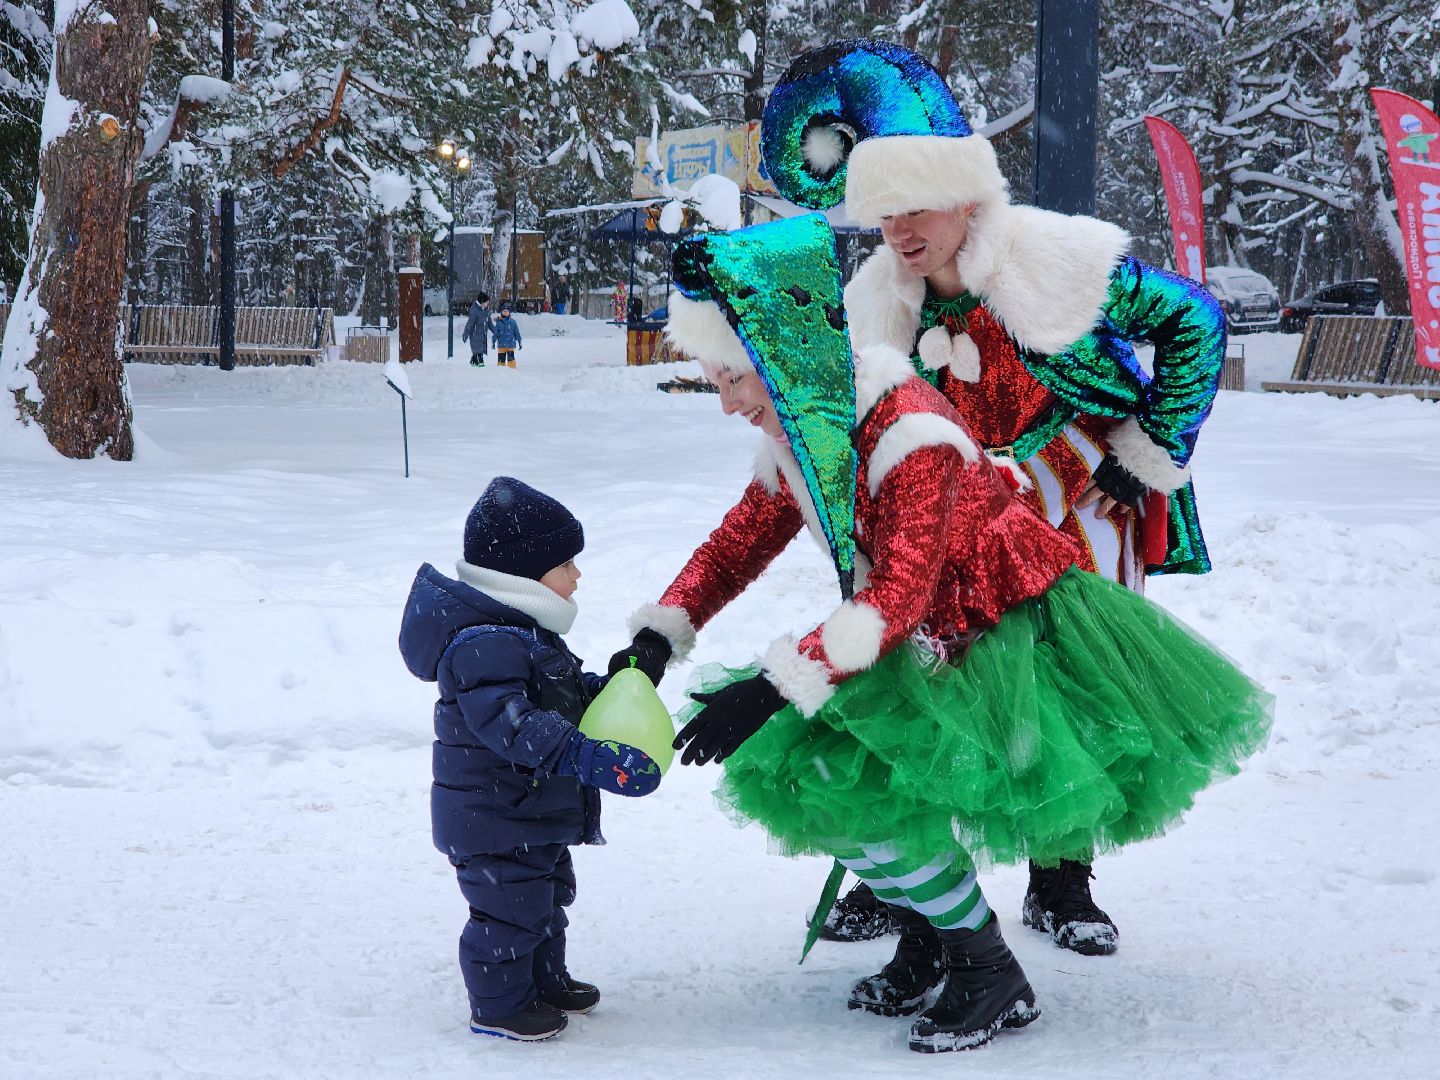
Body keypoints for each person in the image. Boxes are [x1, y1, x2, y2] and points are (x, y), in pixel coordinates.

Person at [610, 215, 1270, 1054]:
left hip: (999, 625)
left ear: (783, 360)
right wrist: (661, 636)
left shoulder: (906, 430)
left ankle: (988, 969)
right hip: (913, 629)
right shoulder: (805, 429)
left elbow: (897, 596)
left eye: (737, 380)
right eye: (719, 383)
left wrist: (775, 683)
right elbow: (739, 542)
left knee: (862, 780)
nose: (732, 404)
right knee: (841, 781)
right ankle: (929, 940)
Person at [761, 38, 1232, 954]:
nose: (899, 229)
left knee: (1070, 693)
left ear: (965, 192)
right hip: (956, 508)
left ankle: (1062, 881)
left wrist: (1151, 448)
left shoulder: (1049, 257)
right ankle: (913, 881)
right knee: (932, 678)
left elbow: (1195, 321)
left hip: (1077, 502)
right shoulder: (875, 300)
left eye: (915, 205)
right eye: (882, 211)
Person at [399, 477, 662, 1043]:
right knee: (508, 913)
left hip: (526, 811)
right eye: (566, 562)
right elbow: (510, 723)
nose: (577, 574)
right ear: (524, 573)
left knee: (545, 900)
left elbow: (549, 696)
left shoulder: (520, 633)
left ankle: (545, 980)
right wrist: (587, 755)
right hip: (494, 818)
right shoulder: (482, 641)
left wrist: (608, 690)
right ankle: (499, 1006)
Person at [461, 291, 492, 367]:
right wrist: (466, 333)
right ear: (482, 302)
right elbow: (470, 323)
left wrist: (496, 331)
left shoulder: (486, 311)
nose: (488, 304)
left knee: (480, 349)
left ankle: (474, 360)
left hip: (482, 334)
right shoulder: (474, 310)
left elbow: (490, 323)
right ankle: (480, 362)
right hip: (475, 334)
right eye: (487, 302)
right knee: (478, 349)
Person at [491, 304, 522, 368]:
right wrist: (493, 341)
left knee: (511, 359)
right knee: (501, 360)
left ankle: (512, 370)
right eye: (504, 311)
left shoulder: (513, 322)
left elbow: (516, 332)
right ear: (501, 312)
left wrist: (519, 341)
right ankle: (501, 371)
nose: (505, 312)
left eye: (507, 311)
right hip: (501, 344)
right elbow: (495, 333)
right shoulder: (499, 322)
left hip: (510, 344)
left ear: (509, 312)